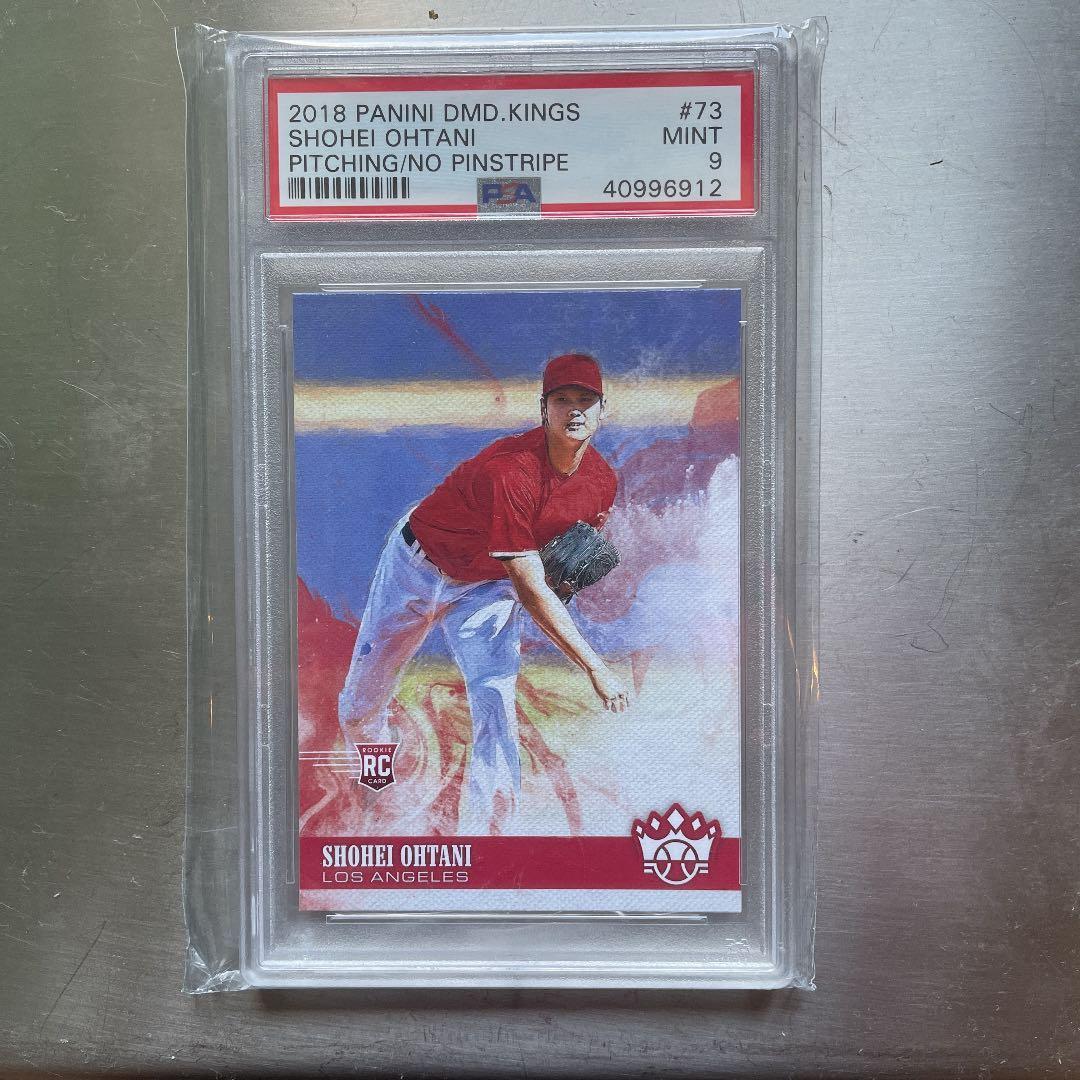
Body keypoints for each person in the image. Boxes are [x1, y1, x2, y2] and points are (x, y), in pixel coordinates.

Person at [338, 352, 629, 830]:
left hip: (486, 588)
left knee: (496, 704)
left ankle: (493, 837)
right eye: (562, 399)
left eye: (586, 399)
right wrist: (595, 667)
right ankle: (378, 788)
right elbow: (532, 590)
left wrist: (562, 582)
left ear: (602, 409)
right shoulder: (511, 470)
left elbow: (554, 570)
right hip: (416, 567)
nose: (575, 410)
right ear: (543, 409)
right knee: (359, 706)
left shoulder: (601, 484)